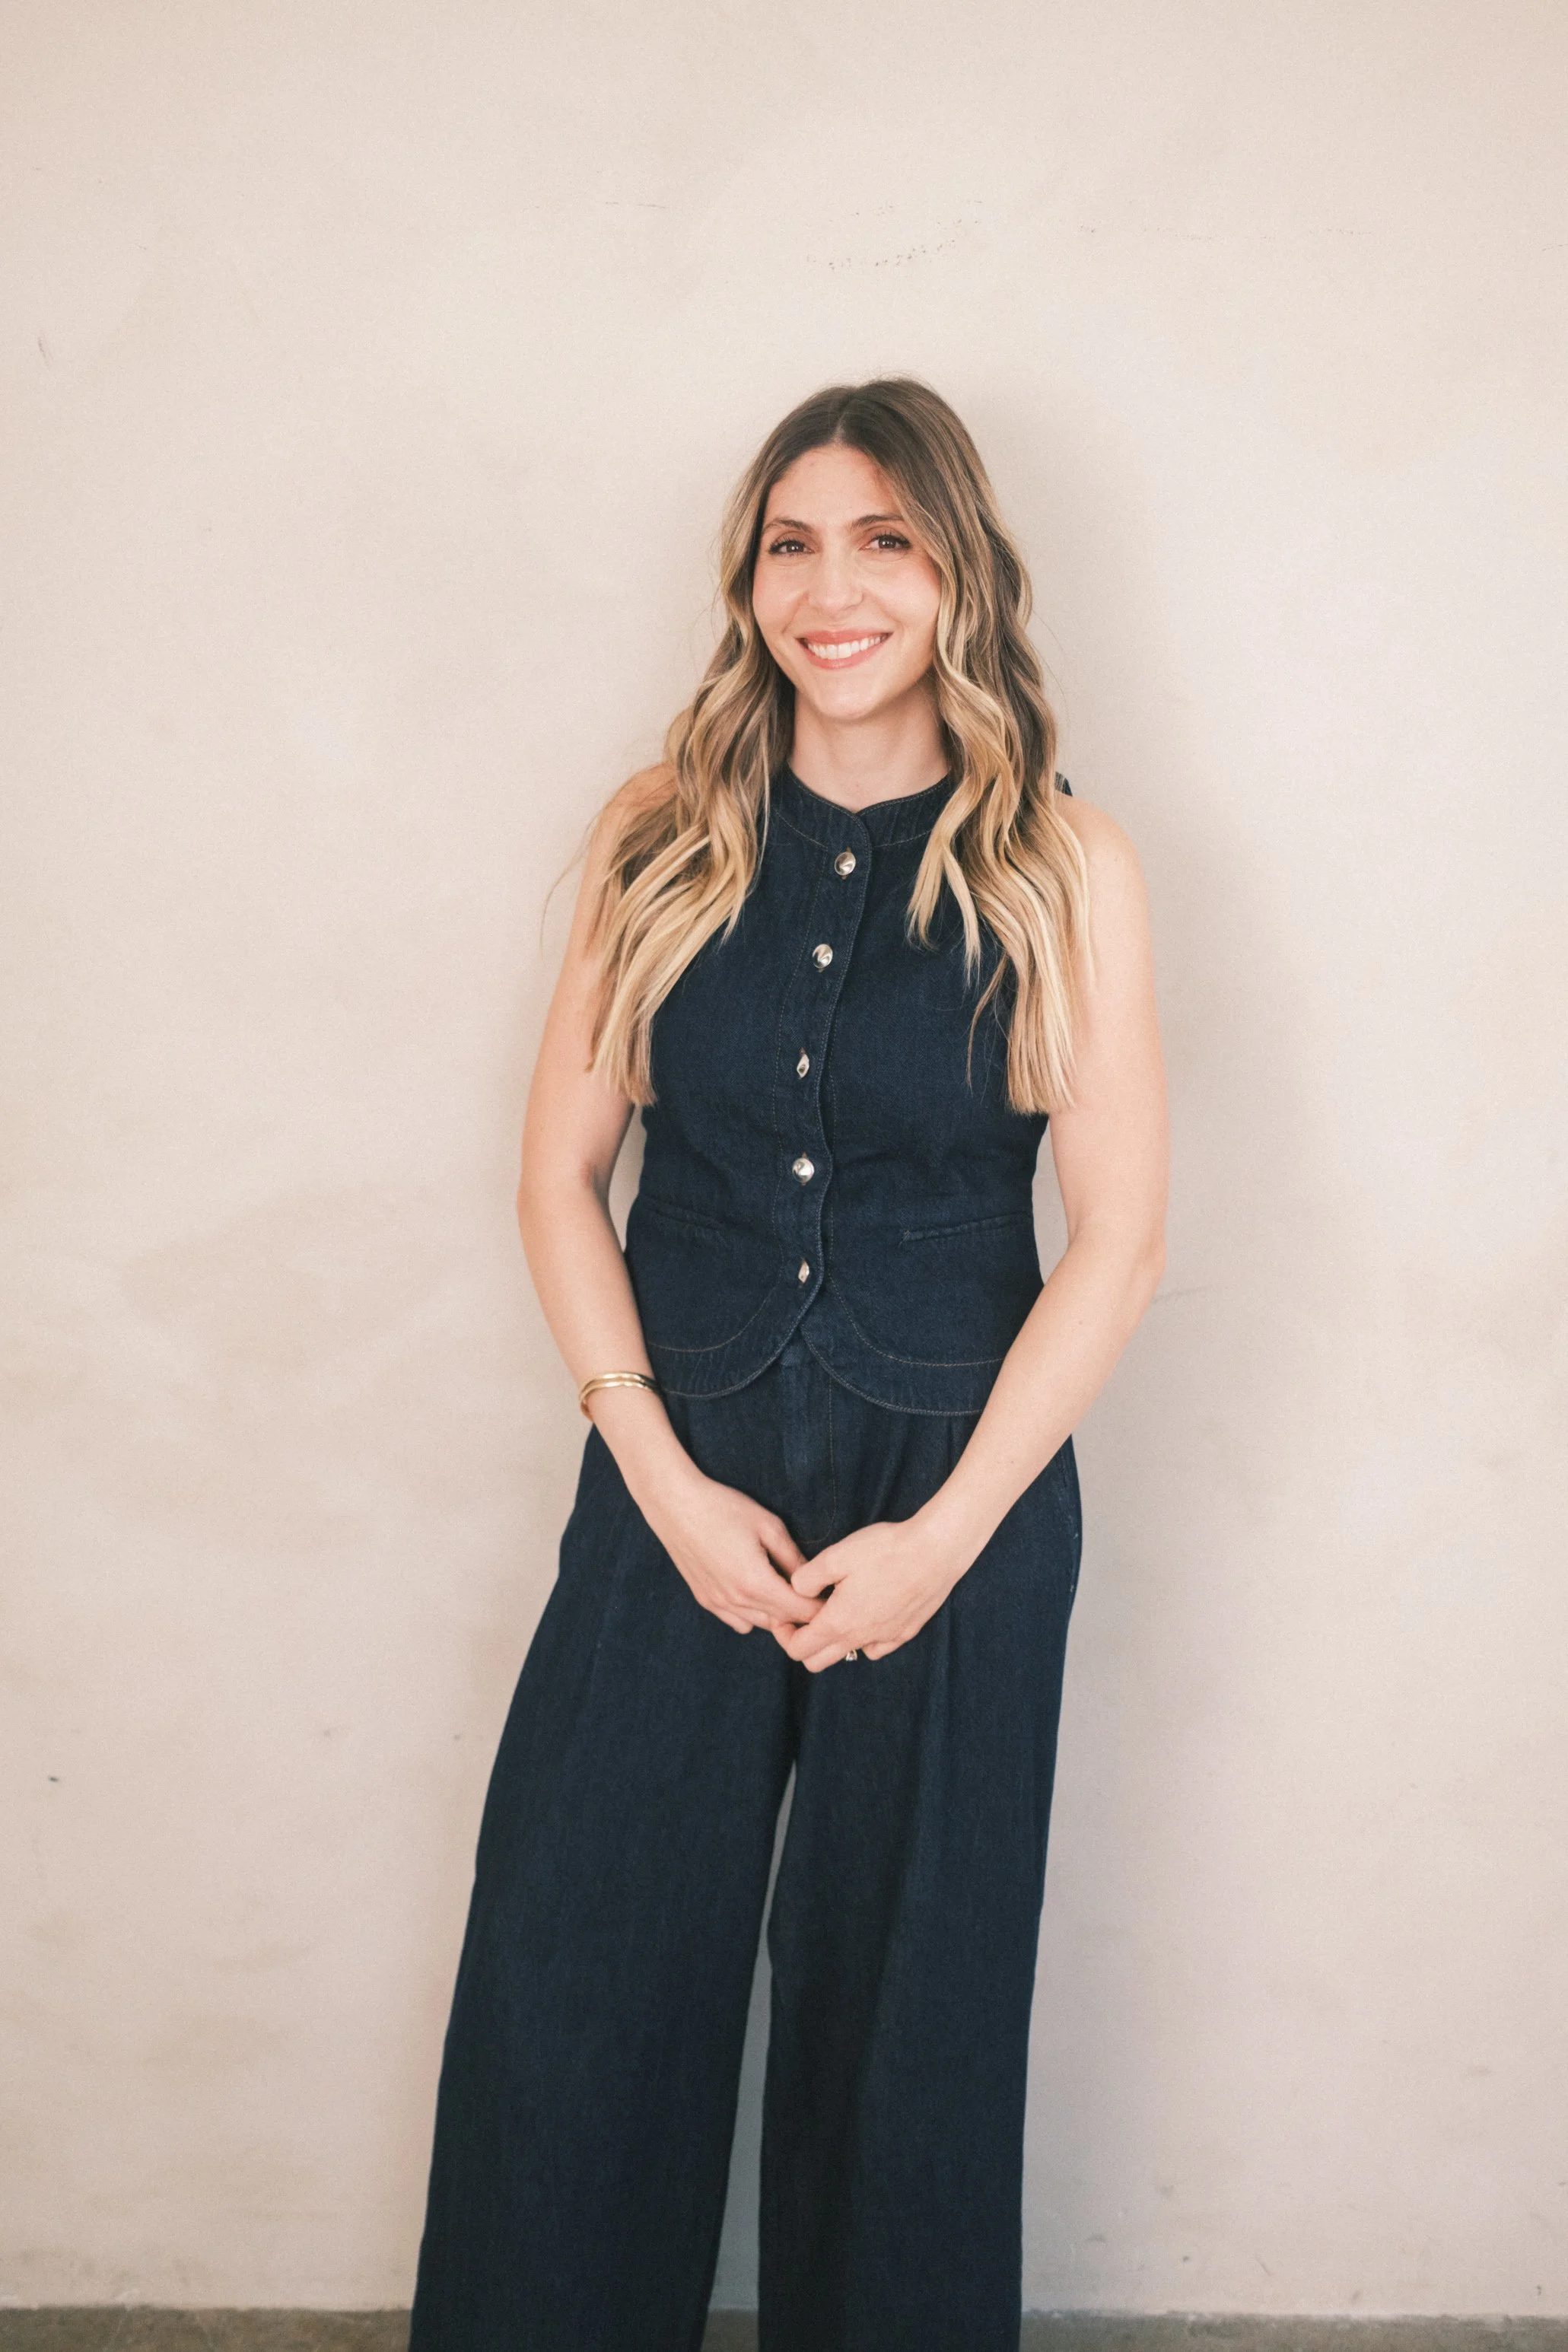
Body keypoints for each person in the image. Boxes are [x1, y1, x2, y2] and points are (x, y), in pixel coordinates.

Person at [407, 377, 1168, 2352]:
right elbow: (557, 1181)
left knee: (908, 2026)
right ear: (747, 583)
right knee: (574, 1978)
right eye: (793, 546)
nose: (836, 591)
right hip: (681, 1478)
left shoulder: (1062, 863)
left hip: (957, 1504)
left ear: (959, 573)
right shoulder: (658, 835)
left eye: (886, 542)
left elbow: (1118, 1239)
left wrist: (945, 1544)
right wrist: (655, 1478)